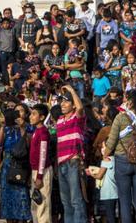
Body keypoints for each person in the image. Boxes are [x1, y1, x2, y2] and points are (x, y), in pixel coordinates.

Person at [104, 89, 136, 223]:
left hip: (122, 161)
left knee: (124, 201)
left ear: (130, 102)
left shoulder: (120, 117)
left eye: (126, 99)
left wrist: (105, 153)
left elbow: (112, 142)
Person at [53, 85, 88, 223]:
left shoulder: (77, 118)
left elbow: (80, 108)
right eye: (62, 101)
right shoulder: (60, 120)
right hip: (61, 164)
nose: (63, 104)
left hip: (74, 162)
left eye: (67, 101)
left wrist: (72, 91)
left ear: (73, 105)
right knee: (66, 203)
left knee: (76, 201)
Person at [27, 103, 54, 223]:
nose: (30, 117)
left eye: (34, 114)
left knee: (43, 205)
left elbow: (43, 156)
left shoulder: (43, 132)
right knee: (35, 204)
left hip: (42, 171)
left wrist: (39, 176)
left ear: (42, 117)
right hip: (35, 170)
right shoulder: (36, 131)